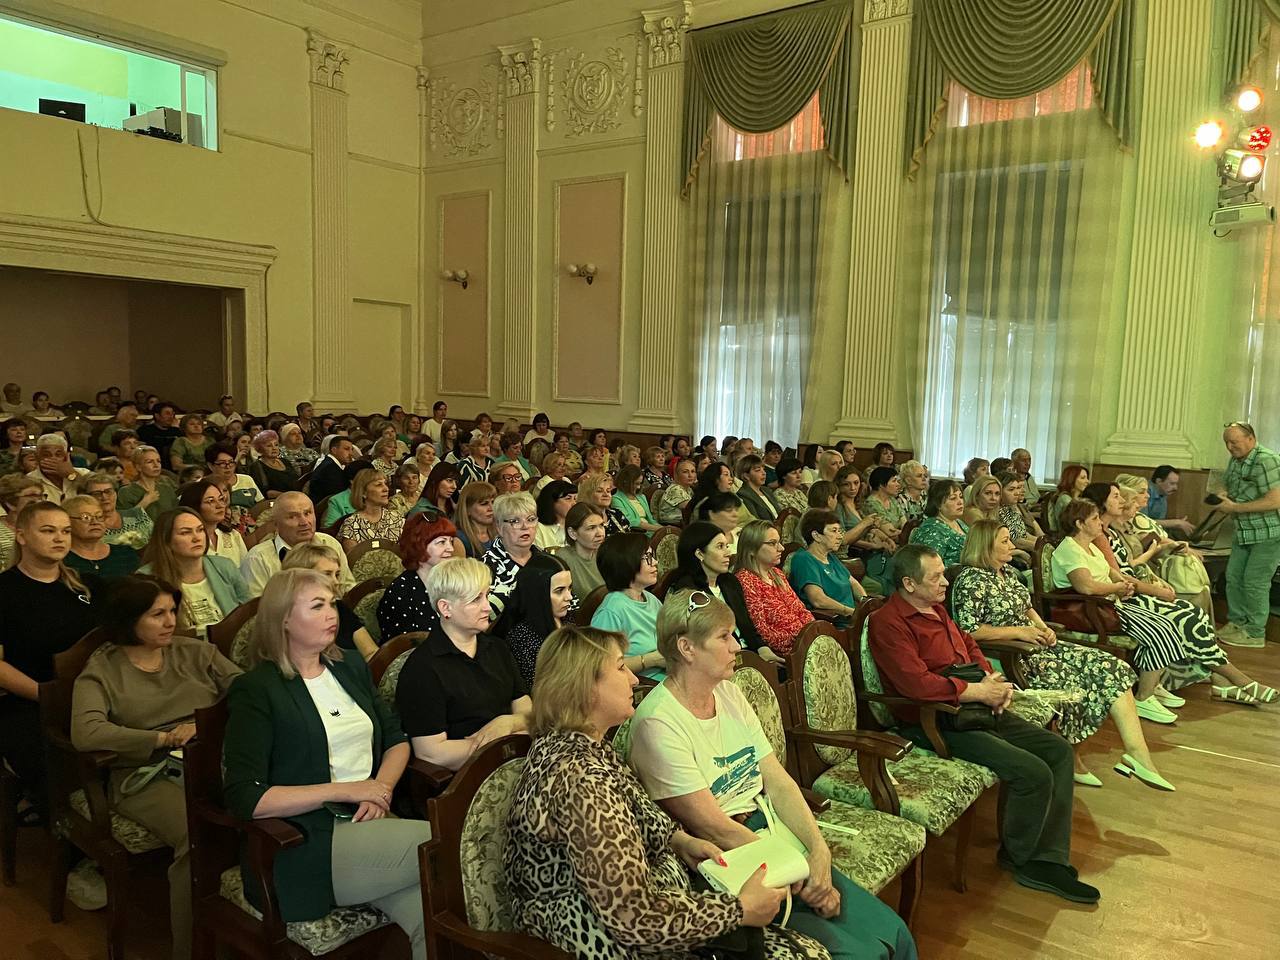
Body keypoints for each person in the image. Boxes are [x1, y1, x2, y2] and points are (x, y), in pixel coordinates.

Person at [629, 590, 918, 960]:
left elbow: (778, 781)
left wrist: (818, 852)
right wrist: (801, 876)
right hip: (731, 862)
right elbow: (714, 827)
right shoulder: (658, 723)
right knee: (860, 954)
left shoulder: (730, 693)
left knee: (895, 932)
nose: (736, 646)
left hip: (773, 832)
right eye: (724, 637)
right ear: (687, 648)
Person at [507, 625, 809, 960]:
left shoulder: (583, 745)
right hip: (595, 938)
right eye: (621, 667)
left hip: (635, 911)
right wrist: (738, 910)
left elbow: (639, 810)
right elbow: (634, 917)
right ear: (585, 688)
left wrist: (679, 841)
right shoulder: (580, 780)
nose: (634, 680)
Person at [868, 544, 1095, 902]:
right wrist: (976, 691)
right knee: (1032, 772)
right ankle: (1022, 859)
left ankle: (1048, 857)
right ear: (909, 584)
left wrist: (993, 679)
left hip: (973, 705)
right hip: (935, 721)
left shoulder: (936, 609)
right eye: (936, 576)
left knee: (1058, 751)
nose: (945, 582)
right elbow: (916, 685)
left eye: (943, 572)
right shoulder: (889, 622)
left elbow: (969, 646)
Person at [223, 568, 429, 958]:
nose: (332, 614)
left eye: (332, 603)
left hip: (370, 820)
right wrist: (349, 790)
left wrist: (379, 791)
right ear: (283, 619)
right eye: (317, 606)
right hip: (305, 841)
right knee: (451, 843)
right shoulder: (258, 690)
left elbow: (396, 739)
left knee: (431, 910)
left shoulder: (348, 666)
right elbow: (245, 797)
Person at [72, 575, 241, 960]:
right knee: (197, 831)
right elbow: (86, 731)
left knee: (264, 810)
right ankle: (193, 948)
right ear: (128, 619)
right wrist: (160, 739)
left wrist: (203, 725)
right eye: (157, 614)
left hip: (214, 754)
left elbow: (248, 689)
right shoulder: (104, 669)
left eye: (172, 611)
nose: (170, 621)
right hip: (146, 773)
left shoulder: (194, 652)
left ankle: (248, 924)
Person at [951, 521, 1170, 790]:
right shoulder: (971, 579)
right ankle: (1073, 758)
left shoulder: (1007, 572)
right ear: (985, 545)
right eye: (1005, 541)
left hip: (1035, 643)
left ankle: (1138, 756)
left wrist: (1044, 629)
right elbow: (968, 630)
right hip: (1011, 653)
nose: (1012, 545)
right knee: (1074, 682)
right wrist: (1020, 632)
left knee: (1111, 666)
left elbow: (1028, 608)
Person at [1053, 497, 1273, 709]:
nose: (1099, 522)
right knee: (1166, 627)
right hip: (1094, 609)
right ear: (1079, 524)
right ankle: (1148, 694)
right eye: (1093, 519)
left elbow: (1113, 572)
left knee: (1179, 619)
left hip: (1112, 603)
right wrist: (1121, 587)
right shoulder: (1070, 549)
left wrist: (1122, 583)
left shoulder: (1090, 547)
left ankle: (1158, 686)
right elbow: (1087, 587)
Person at [0, 502, 99, 824]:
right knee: (53, 762)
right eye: (48, 530)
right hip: (31, 700)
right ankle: (68, 839)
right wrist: (46, 695)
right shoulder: (5, 590)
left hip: (92, 694)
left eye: (65, 531)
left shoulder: (82, 585)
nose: (60, 538)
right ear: (22, 536)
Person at [395, 557, 531, 771]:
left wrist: (508, 723)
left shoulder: (497, 648)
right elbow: (431, 753)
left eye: (486, 595)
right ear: (445, 608)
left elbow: (527, 711)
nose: (487, 607)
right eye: (475, 600)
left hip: (516, 761)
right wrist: (499, 745)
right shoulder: (422, 669)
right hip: (464, 780)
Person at [1216, 422, 1280, 649]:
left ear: (1251, 438)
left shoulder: (1267, 460)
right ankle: (1237, 623)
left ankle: (1254, 633)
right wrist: (1223, 495)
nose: (1230, 447)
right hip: (1243, 531)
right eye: (1227, 442)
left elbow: (1275, 500)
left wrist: (1234, 508)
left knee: (1255, 583)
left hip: (1267, 533)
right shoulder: (1237, 459)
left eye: (1234, 441)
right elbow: (1230, 486)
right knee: (1233, 578)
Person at [140, 508, 250, 637]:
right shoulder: (147, 578)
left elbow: (248, 613)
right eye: (185, 533)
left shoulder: (224, 566)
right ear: (166, 541)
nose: (196, 538)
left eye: (200, 530)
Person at [669, 521, 766, 654]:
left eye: (727, 546)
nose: (728, 553)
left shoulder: (730, 581)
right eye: (720, 547)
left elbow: (748, 626)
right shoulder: (688, 592)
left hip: (749, 653)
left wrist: (762, 649)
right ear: (700, 554)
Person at [240, 492, 354, 597]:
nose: (304, 522)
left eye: (307, 513)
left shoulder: (330, 543)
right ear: (275, 524)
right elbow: (257, 610)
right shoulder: (258, 559)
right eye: (292, 516)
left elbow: (348, 589)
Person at [281, 543, 379, 660]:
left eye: (337, 574)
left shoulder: (339, 608)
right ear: (301, 577)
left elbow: (371, 652)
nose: (336, 582)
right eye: (326, 574)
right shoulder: (286, 618)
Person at [731, 519, 813, 656]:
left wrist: (811, 633)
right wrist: (800, 638)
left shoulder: (776, 573)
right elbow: (763, 633)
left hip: (805, 643)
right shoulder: (745, 580)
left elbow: (801, 610)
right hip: (785, 654)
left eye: (779, 542)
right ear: (751, 549)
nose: (781, 548)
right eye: (772, 543)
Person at [591, 533, 665, 679]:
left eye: (653, 556)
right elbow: (601, 666)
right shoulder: (612, 610)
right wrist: (650, 660)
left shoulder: (650, 598)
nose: (655, 562)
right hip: (641, 685)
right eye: (647, 558)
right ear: (626, 562)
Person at [377, 515, 459, 642]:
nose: (451, 549)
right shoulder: (400, 592)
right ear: (419, 545)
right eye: (442, 542)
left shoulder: (454, 581)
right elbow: (402, 649)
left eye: (451, 541)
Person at [500, 552, 575, 687]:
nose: (569, 597)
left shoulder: (567, 619)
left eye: (569, 588)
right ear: (537, 594)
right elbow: (538, 687)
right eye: (559, 591)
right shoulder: (521, 637)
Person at [790, 510, 868, 622]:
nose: (840, 537)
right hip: (833, 624)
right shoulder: (804, 559)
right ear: (816, 535)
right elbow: (818, 600)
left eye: (840, 531)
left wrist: (865, 604)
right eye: (834, 531)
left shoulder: (830, 557)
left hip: (853, 619)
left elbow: (853, 583)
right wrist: (851, 612)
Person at [483, 491, 544, 619]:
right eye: (515, 521)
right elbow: (483, 615)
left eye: (531, 520)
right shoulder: (485, 567)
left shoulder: (546, 560)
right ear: (499, 527)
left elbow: (571, 604)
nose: (525, 527)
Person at [62, 494, 141, 583]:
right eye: (86, 517)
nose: (95, 522)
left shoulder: (126, 554)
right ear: (67, 522)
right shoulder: (61, 560)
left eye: (99, 516)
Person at [178, 479, 247, 569]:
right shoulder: (187, 541)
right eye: (210, 501)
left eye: (221, 499)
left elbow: (244, 573)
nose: (220, 506)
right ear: (194, 505)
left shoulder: (233, 536)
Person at [339, 469, 405, 549]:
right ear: (363, 492)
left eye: (385, 484)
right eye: (378, 485)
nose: (386, 489)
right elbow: (353, 559)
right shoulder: (352, 525)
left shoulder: (397, 519)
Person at [909, 480, 969, 566]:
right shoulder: (931, 530)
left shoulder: (959, 522)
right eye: (953, 498)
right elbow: (930, 567)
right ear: (938, 504)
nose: (960, 502)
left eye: (961, 497)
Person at [117, 445, 179, 521]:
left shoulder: (167, 489)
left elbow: (176, 516)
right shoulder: (126, 492)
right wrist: (145, 502)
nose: (156, 465)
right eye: (150, 462)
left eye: (158, 461)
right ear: (138, 467)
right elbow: (124, 521)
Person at [27, 432, 90, 503]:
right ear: (37, 457)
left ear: (66, 456)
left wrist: (71, 475)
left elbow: (94, 489)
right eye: (46, 455)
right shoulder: (29, 480)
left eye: (58, 455)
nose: (53, 458)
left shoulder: (84, 472)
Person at [562, 502, 606, 600]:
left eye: (601, 525)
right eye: (591, 528)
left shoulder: (606, 554)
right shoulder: (564, 559)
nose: (600, 533)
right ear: (573, 533)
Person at [0, 473, 45, 568]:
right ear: (10, 503)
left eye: (41, 496)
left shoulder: (48, 527)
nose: (39, 502)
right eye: (31, 496)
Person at [994, 470, 1043, 556]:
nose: (1017, 493)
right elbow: (1017, 541)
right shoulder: (997, 511)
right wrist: (1043, 547)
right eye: (1011, 489)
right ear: (999, 491)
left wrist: (1045, 543)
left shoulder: (1011, 508)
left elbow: (1024, 534)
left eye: (1017, 488)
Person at [248, 430, 300, 497]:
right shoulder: (256, 466)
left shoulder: (285, 461)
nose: (274, 448)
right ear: (260, 449)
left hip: (296, 496)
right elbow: (264, 492)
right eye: (269, 446)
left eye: (276, 445)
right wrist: (289, 496)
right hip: (276, 501)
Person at [308, 436, 357, 506]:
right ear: (334, 450)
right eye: (347, 449)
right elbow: (340, 497)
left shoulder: (331, 464)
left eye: (352, 449)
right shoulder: (329, 470)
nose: (351, 453)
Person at [579, 470, 631, 536]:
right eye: (599, 491)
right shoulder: (583, 518)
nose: (606, 494)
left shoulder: (617, 514)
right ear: (588, 494)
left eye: (608, 491)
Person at [452, 480, 497, 557]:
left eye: (493, 502)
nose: (491, 508)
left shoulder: (499, 533)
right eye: (484, 503)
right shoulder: (459, 539)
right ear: (467, 509)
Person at [612, 464, 661, 534]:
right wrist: (658, 529)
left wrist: (664, 529)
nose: (638, 487)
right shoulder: (616, 499)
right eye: (636, 484)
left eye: (640, 483)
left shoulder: (642, 497)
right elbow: (630, 522)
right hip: (636, 534)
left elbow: (651, 520)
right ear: (626, 482)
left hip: (651, 531)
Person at [736, 454, 781, 522]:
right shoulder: (743, 495)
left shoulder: (767, 490)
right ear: (746, 476)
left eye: (763, 469)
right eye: (758, 470)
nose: (764, 473)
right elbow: (755, 522)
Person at [862, 467, 905, 538]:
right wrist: (904, 533)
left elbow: (905, 524)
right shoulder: (871, 503)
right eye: (894, 481)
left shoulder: (892, 500)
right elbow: (890, 532)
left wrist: (904, 532)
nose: (898, 485)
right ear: (881, 484)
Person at [534, 479, 577, 549]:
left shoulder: (578, 527)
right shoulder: (538, 529)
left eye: (575, 499)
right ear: (552, 502)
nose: (574, 503)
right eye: (568, 498)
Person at [1048, 465, 1090, 533]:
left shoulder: (1078, 498)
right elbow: (1072, 526)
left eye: (1087, 478)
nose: (1087, 481)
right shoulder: (1065, 499)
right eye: (1083, 478)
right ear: (1072, 479)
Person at [658, 457, 698, 524]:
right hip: (672, 527)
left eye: (693, 471)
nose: (690, 475)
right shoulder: (675, 489)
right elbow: (691, 509)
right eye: (685, 472)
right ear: (677, 475)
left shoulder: (689, 489)